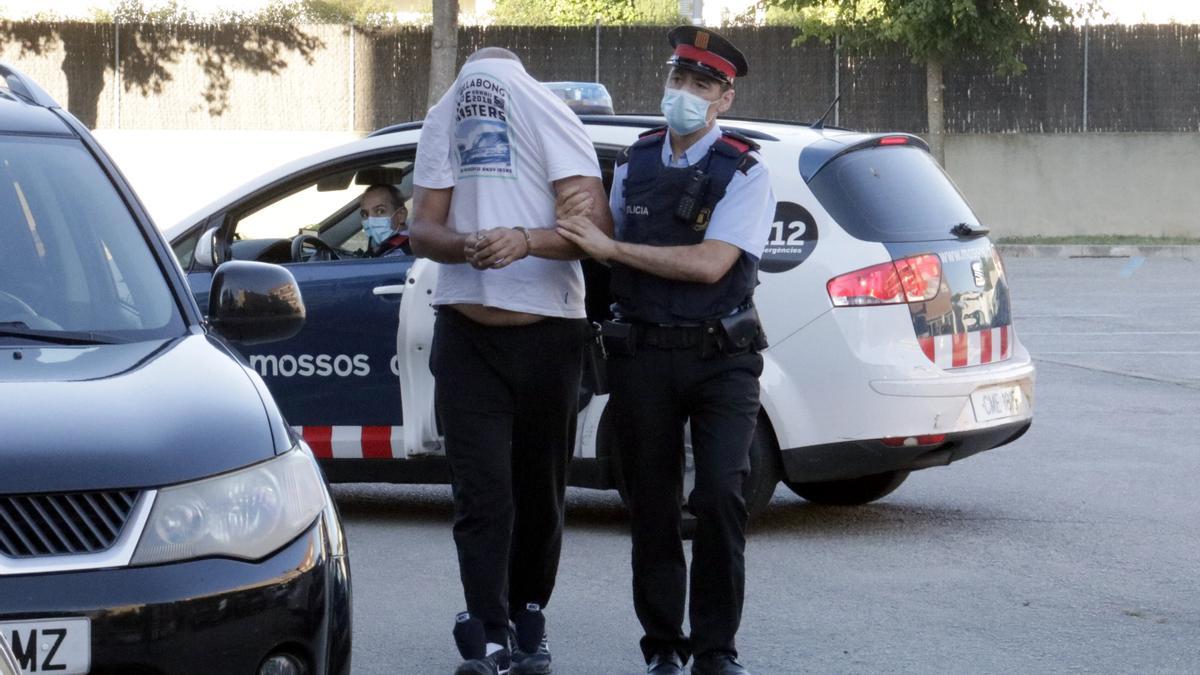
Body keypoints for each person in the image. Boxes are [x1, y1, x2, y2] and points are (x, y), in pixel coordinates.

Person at [556, 26, 775, 675]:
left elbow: (711, 264)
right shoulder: (634, 162)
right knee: (649, 501)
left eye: (702, 84)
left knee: (718, 495)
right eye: (678, 79)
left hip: (720, 357)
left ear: (724, 99)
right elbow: (592, 239)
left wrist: (613, 251)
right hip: (643, 353)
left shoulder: (745, 169)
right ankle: (662, 645)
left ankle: (715, 648)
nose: (685, 93)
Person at [409, 46, 612, 675]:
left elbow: (595, 229)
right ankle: (492, 633)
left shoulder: (552, 117)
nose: (480, 96)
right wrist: (466, 245)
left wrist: (523, 239)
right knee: (483, 492)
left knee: (540, 489)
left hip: (550, 335)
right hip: (467, 334)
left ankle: (528, 615)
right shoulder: (444, 119)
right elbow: (422, 229)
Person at [359, 183, 410, 257]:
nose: (370, 221)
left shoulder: (409, 251)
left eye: (380, 211)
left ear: (401, 215)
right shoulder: (379, 247)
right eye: (365, 214)